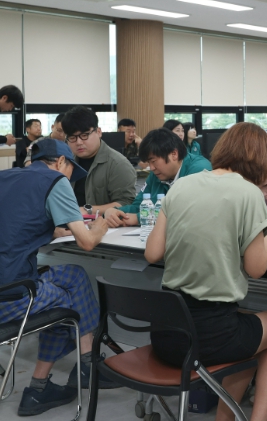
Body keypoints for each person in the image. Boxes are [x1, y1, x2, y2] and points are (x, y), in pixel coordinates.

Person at [144, 122, 267, 421]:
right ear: (262, 159)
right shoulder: (249, 194)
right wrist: (263, 239)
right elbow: (256, 269)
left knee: (248, 331)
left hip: (166, 333)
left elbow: (153, 253)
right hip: (210, 337)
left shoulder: (182, 185)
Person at [0, 139, 118, 417]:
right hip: (12, 296)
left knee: (74, 275)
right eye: (70, 171)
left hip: (8, 282)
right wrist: (99, 226)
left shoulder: (6, 176)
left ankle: (75, 369)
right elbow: (87, 242)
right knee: (68, 303)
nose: (70, 178)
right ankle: (58, 378)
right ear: (61, 162)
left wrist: (51, 230)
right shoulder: (55, 181)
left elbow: (14, 224)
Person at [104, 128, 212, 227]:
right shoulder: (157, 174)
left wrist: (138, 218)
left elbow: (185, 212)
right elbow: (139, 205)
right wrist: (115, 211)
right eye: (149, 162)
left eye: (154, 161)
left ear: (174, 154)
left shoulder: (199, 170)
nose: (151, 168)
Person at [62, 106, 136, 215]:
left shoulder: (118, 164)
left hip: (104, 224)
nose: (78, 142)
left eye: (84, 135)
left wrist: (86, 210)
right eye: (72, 138)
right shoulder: (66, 162)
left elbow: (126, 204)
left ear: (99, 132)